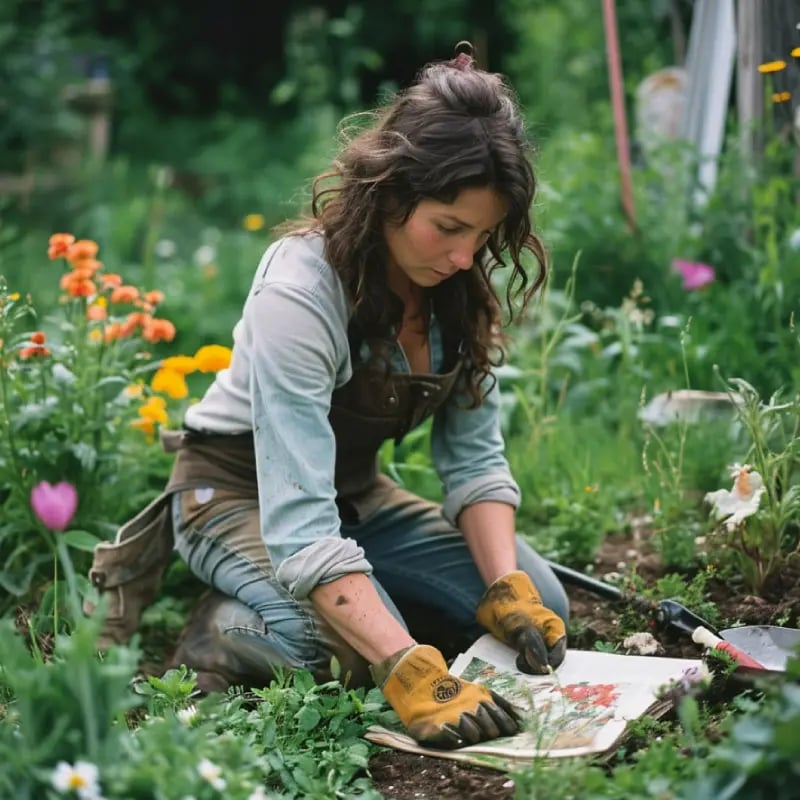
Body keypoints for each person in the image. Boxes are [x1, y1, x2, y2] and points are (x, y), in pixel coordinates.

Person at [87, 42, 569, 751]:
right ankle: (224, 628)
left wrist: (506, 587)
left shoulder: (453, 286)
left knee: (541, 606)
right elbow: (301, 524)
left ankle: (360, 606)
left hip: (353, 499)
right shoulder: (300, 292)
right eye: (449, 227)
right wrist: (404, 664)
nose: (467, 256)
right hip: (236, 496)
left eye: (484, 234)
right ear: (391, 193)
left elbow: (474, 464)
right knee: (344, 654)